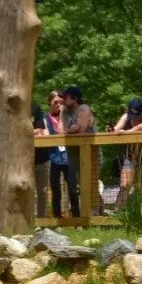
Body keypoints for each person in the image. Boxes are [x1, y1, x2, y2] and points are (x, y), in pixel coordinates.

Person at [59, 85, 95, 218]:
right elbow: (60, 131)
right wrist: (68, 130)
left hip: (88, 155)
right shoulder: (64, 111)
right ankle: (77, 218)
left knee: (88, 187)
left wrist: (68, 132)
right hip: (73, 155)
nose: (62, 100)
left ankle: (95, 216)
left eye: (65, 97)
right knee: (73, 187)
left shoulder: (83, 109)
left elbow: (79, 130)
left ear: (74, 98)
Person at [112, 97, 142, 206]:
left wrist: (125, 132)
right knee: (124, 185)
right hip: (129, 156)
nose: (133, 118)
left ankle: (141, 212)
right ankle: (119, 212)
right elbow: (116, 128)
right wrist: (113, 130)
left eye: (136, 115)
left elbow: (139, 128)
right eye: (132, 115)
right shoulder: (126, 116)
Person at [45, 91, 69, 220]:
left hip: (68, 157)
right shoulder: (45, 118)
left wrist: (62, 115)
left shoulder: (67, 117)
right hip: (52, 157)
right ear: (49, 103)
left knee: (71, 187)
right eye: (55, 102)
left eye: (61, 102)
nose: (58, 105)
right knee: (56, 188)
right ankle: (57, 216)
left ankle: (74, 216)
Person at [32, 102, 50, 219]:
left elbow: (39, 130)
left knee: (42, 192)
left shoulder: (34, 107)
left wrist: (21, 132)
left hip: (42, 158)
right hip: (22, 161)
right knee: (29, 192)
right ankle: (29, 220)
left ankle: (41, 220)